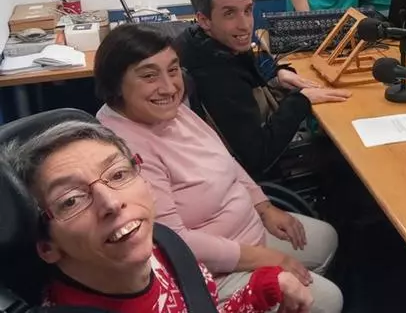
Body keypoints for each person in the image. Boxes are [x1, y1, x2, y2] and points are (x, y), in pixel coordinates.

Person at [94, 24, 343, 313]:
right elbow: (173, 243)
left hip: (246, 232)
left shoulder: (170, 110)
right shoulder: (124, 150)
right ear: (115, 85)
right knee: (329, 299)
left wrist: (263, 207)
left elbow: (225, 159)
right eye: (149, 75)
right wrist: (268, 259)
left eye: (173, 70)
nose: (169, 87)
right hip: (210, 270)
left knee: (326, 238)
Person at [0, 120, 313, 312]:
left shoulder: (166, 249)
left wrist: (261, 290)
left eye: (118, 174)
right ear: (47, 246)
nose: (112, 202)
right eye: (71, 200)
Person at [174, 0, 351, 175]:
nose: (245, 25)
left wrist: (278, 78)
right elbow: (258, 157)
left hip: (251, 140)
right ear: (204, 20)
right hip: (257, 169)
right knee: (343, 151)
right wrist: (301, 100)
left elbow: (249, 84)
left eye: (248, 10)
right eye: (229, 14)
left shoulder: (204, 42)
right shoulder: (217, 76)